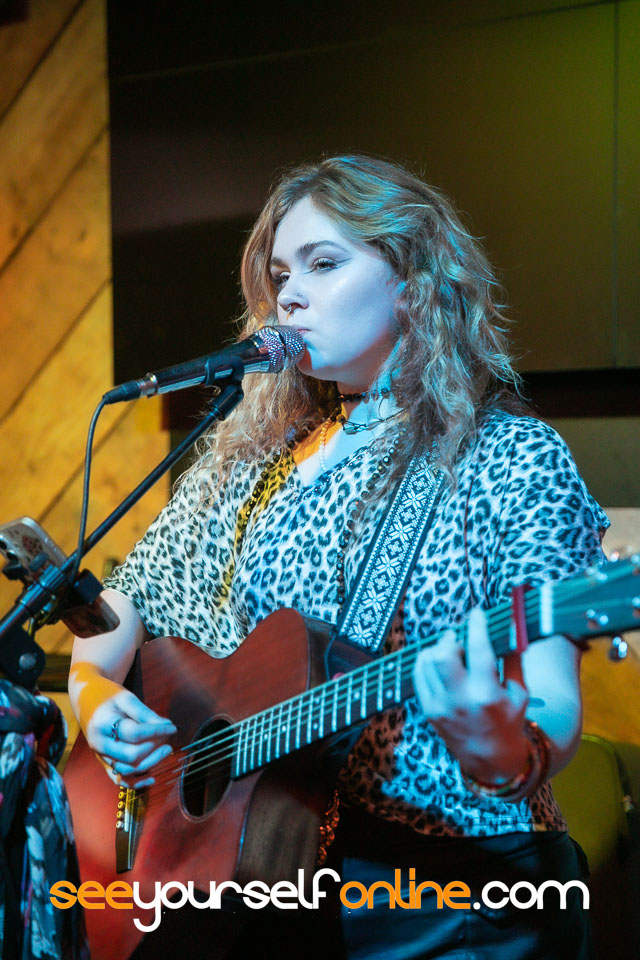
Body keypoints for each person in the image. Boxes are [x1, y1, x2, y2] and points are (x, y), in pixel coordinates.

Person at [68, 155, 607, 958]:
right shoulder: (249, 462)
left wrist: (498, 742)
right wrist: (92, 697)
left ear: (413, 282)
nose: (289, 294)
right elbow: (122, 605)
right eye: (282, 274)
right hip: (274, 886)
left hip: (457, 898)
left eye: (324, 263)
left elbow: (553, 709)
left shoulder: (507, 456)